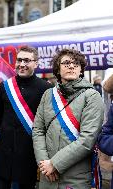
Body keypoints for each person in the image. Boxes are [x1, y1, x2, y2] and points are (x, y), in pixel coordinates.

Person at [32, 49, 104, 189]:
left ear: (81, 70)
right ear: (58, 69)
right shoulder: (48, 95)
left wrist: (54, 164)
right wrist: (45, 164)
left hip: (76, 179)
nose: (71, 66)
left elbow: (87, 139)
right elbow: (38, 130)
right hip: (48, 176)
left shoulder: (92, 96)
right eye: (66, 63)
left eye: (76, 63)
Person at [0, 45, 52, 189]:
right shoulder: (5, 86)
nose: (22, 64)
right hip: (4, 155)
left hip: (28, 156)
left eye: (27, 60)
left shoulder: (46, 88)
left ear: (36, 63)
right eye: (19, 60)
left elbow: (48, 123)